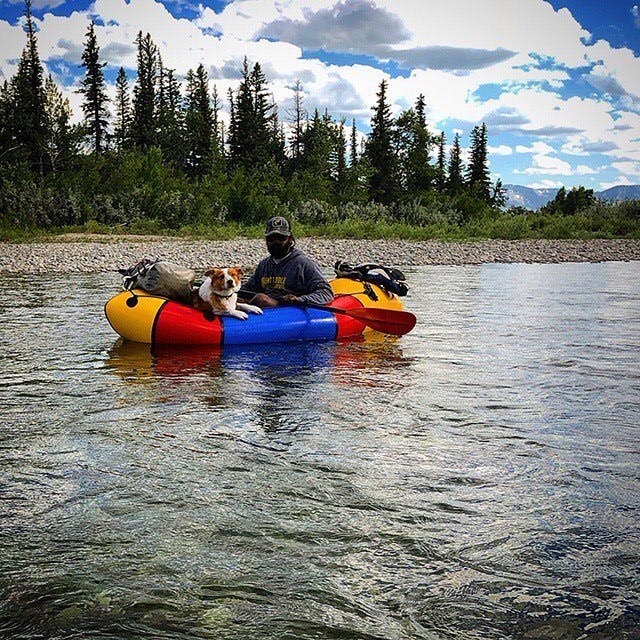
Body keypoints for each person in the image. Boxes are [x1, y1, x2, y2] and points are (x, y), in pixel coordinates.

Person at [242, 216, 334, 308]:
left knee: (262, 299)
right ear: (266, 240)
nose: (276, 242)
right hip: (266, 309)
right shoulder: (264, 265)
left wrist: (300, 300)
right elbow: (248, 289)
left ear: (290, 239)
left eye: (281, 238)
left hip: (289, 310)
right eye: (271, 239)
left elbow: (326, 292)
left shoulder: (303, 264)